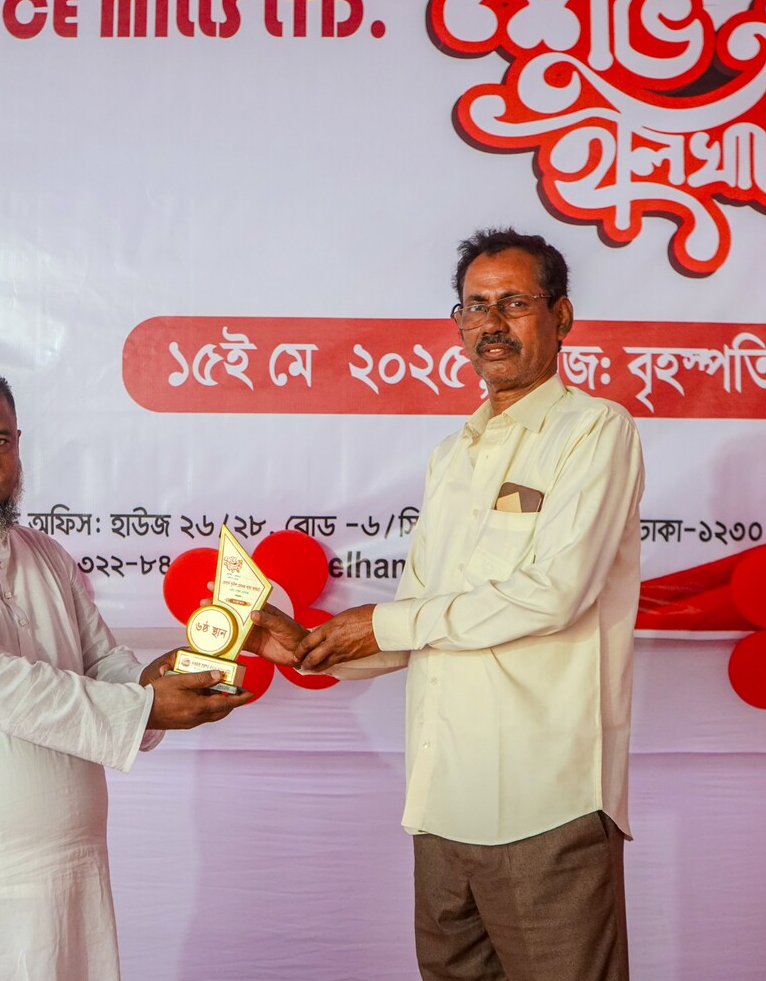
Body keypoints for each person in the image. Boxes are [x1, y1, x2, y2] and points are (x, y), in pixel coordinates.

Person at [253, 229, 645, 981]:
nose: (491, 324)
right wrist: (309, 649)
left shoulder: (595, 430)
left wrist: (383, 622)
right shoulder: (451, 455)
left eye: (514, 303)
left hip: (545, 806)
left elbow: (554, 595)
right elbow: (422, 620)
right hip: (440, 809)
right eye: (475, 307)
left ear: (562, 316)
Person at [0, 366, 253, 981]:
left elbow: (102, 663)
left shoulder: (44, 554)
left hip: (60, 884)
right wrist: (145, 708)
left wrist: (179, 672)